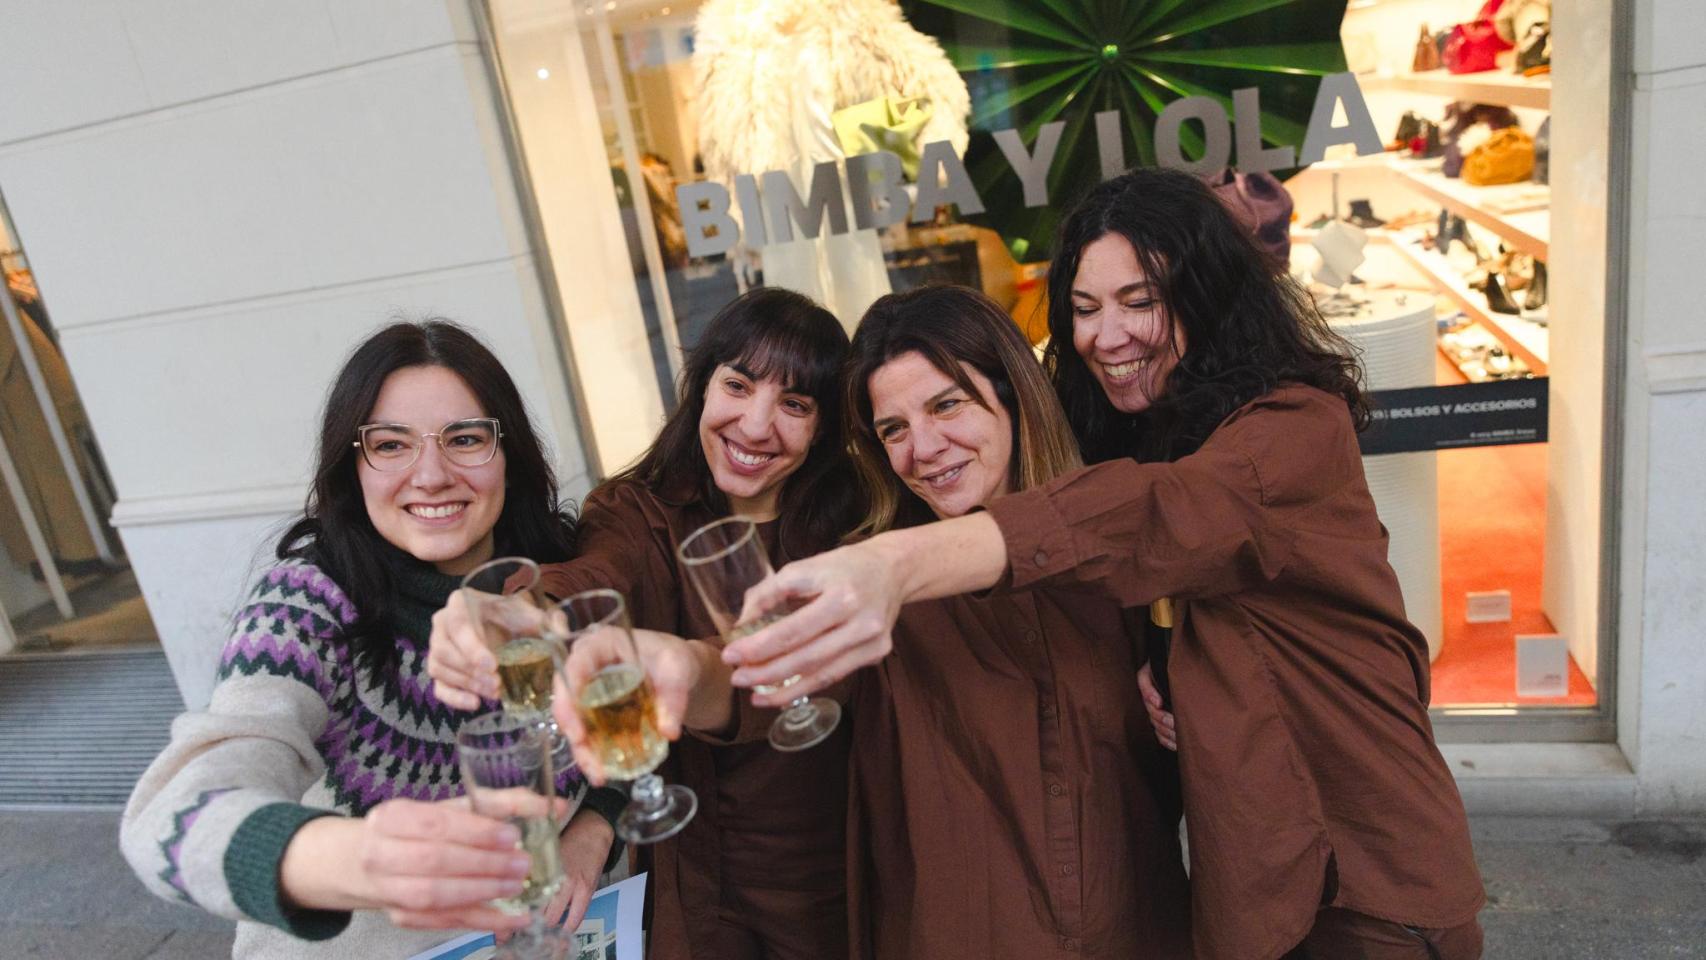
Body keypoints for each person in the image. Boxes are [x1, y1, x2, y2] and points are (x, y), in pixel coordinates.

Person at [721, 169, 1486, 960]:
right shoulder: (1140, 437)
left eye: (1140, 301)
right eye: (1083, 310)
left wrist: (890, 565)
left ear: (1210, 294)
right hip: (1255, 893)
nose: (1105, 336)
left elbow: (1160, 514)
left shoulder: (1290, 430)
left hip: (1368, 887)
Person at [560, 285, 1193, 959]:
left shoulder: (1120, 539)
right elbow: (768, 678)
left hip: (1144, 929)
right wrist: (687, 667)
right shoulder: (876, 581)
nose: (923, 447)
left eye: (947, 404)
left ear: (1013, 392)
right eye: (893, 429)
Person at [120, 320, 625, 958]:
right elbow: (177, 817)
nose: (432, 474)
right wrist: (365, 862)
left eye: (465, 439)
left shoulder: (562, 573)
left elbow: (636, 730)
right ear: (352, 464)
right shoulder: (308, 603)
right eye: (391, 446)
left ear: (509, 453)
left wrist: (595, 824)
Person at [427, 288, 859, 960]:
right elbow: (600, 574)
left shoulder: (853, 526)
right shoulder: (639, 509)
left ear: (826, 428)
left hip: (838, 865)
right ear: (701, 387)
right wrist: (524, 610)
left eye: (795, 404)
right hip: (700, 872)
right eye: (737, 386)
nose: (754, 423)